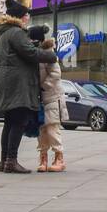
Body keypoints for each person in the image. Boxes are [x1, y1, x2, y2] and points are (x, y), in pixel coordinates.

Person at [0, 0, 56, 172]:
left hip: (8, 81)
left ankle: (4, 161)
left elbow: (23, 51)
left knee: (9, 122)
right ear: (19, 17)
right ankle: (11, 161)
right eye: (26, 15)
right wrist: (52, 56)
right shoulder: (16, 33)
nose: (28, 18)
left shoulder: (5, 33)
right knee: (19, 121)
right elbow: (30, 53)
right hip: (16, 83)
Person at [37, 35, 67, 172]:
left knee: (52, 129)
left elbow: (56, 73)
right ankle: (43, 158)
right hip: (41, 98)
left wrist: (44, 86)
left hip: (52, 96)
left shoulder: (49, 54)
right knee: (42, 130)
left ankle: (59, 158)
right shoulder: (35, 53)